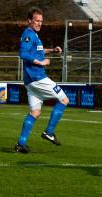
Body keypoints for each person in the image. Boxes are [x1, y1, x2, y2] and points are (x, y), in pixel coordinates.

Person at [14, 7, 69, 153]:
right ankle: (49, 132)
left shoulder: (34, 35)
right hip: (37, 77)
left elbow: (37, 51)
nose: (39, 24)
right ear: (29, 21)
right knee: (64, 100)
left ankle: (21, 144)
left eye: (41, 21)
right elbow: (23, 53)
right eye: (37, 21)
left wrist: (52, 50)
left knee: (35, 112)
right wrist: (41, 62)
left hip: (31, 81)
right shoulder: (28, 34)